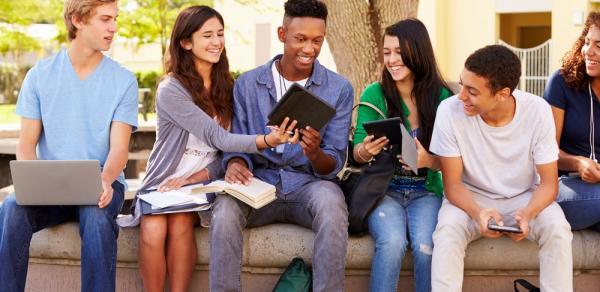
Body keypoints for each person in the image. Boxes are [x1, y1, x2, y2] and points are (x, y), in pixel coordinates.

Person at [119, 6, 298, 292]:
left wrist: (193, 178)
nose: (217, 42)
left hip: (204, 182)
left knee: (179, 224)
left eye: (220, 34)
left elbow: (222, 156)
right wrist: (266, 141)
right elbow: (218, 137)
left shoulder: (229, 86)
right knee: (153, 229)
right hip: (164, 182)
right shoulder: (172, 89)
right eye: (207, 36)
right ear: (186, 43)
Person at [208, 0, 353, 291]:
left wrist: (314, 152)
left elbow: (334, 162)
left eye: (317, 41)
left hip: (309, 184)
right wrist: (236, 163)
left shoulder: (339, 89)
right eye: (300, 39)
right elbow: (236, 143)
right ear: (282, 34)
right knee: (224, 210)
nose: (309, 49)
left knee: (333, 204)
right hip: (259, 182)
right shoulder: (247, 85)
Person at [0, 1, 139, 291]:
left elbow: (119, 150)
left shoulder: (123, 80)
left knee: (96, 216)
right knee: (12, 207)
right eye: (105, 19)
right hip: (51, 188)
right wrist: (33, 181)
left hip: (103, 184)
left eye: (115, 19)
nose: (113, 28)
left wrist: (106, 179)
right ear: (77, 20)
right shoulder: (40, 75)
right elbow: (26, 146)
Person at [429, 45, 573, 292]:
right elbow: (452, 185)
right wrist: (479, 212)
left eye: (472, 91)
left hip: (525, 196)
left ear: (502, 94)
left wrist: (527, 214)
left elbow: (549, 184)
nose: (461, 96)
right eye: (462, 84)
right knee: (447, 231)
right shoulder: (449, 111)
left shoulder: (537, 111)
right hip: (469, 196)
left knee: (558, 229)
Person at [352, 18, 451, 292]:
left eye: (400, 53)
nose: (392, 60)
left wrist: (427, 161)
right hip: (385, 190)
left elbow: (454, 161)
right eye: (387, 53)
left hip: (426, 190)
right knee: (392, 243)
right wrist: (365, 150)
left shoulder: (442, 98)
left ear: (417, 53)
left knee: (426, 246)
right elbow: (357, 152)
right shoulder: (376, 93)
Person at [544, 11, 600, 231]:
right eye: (587, 42)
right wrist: (579, 162)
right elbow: (546, 151)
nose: (589, 51)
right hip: (565, 185)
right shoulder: (561, 82)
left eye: (599, 45)